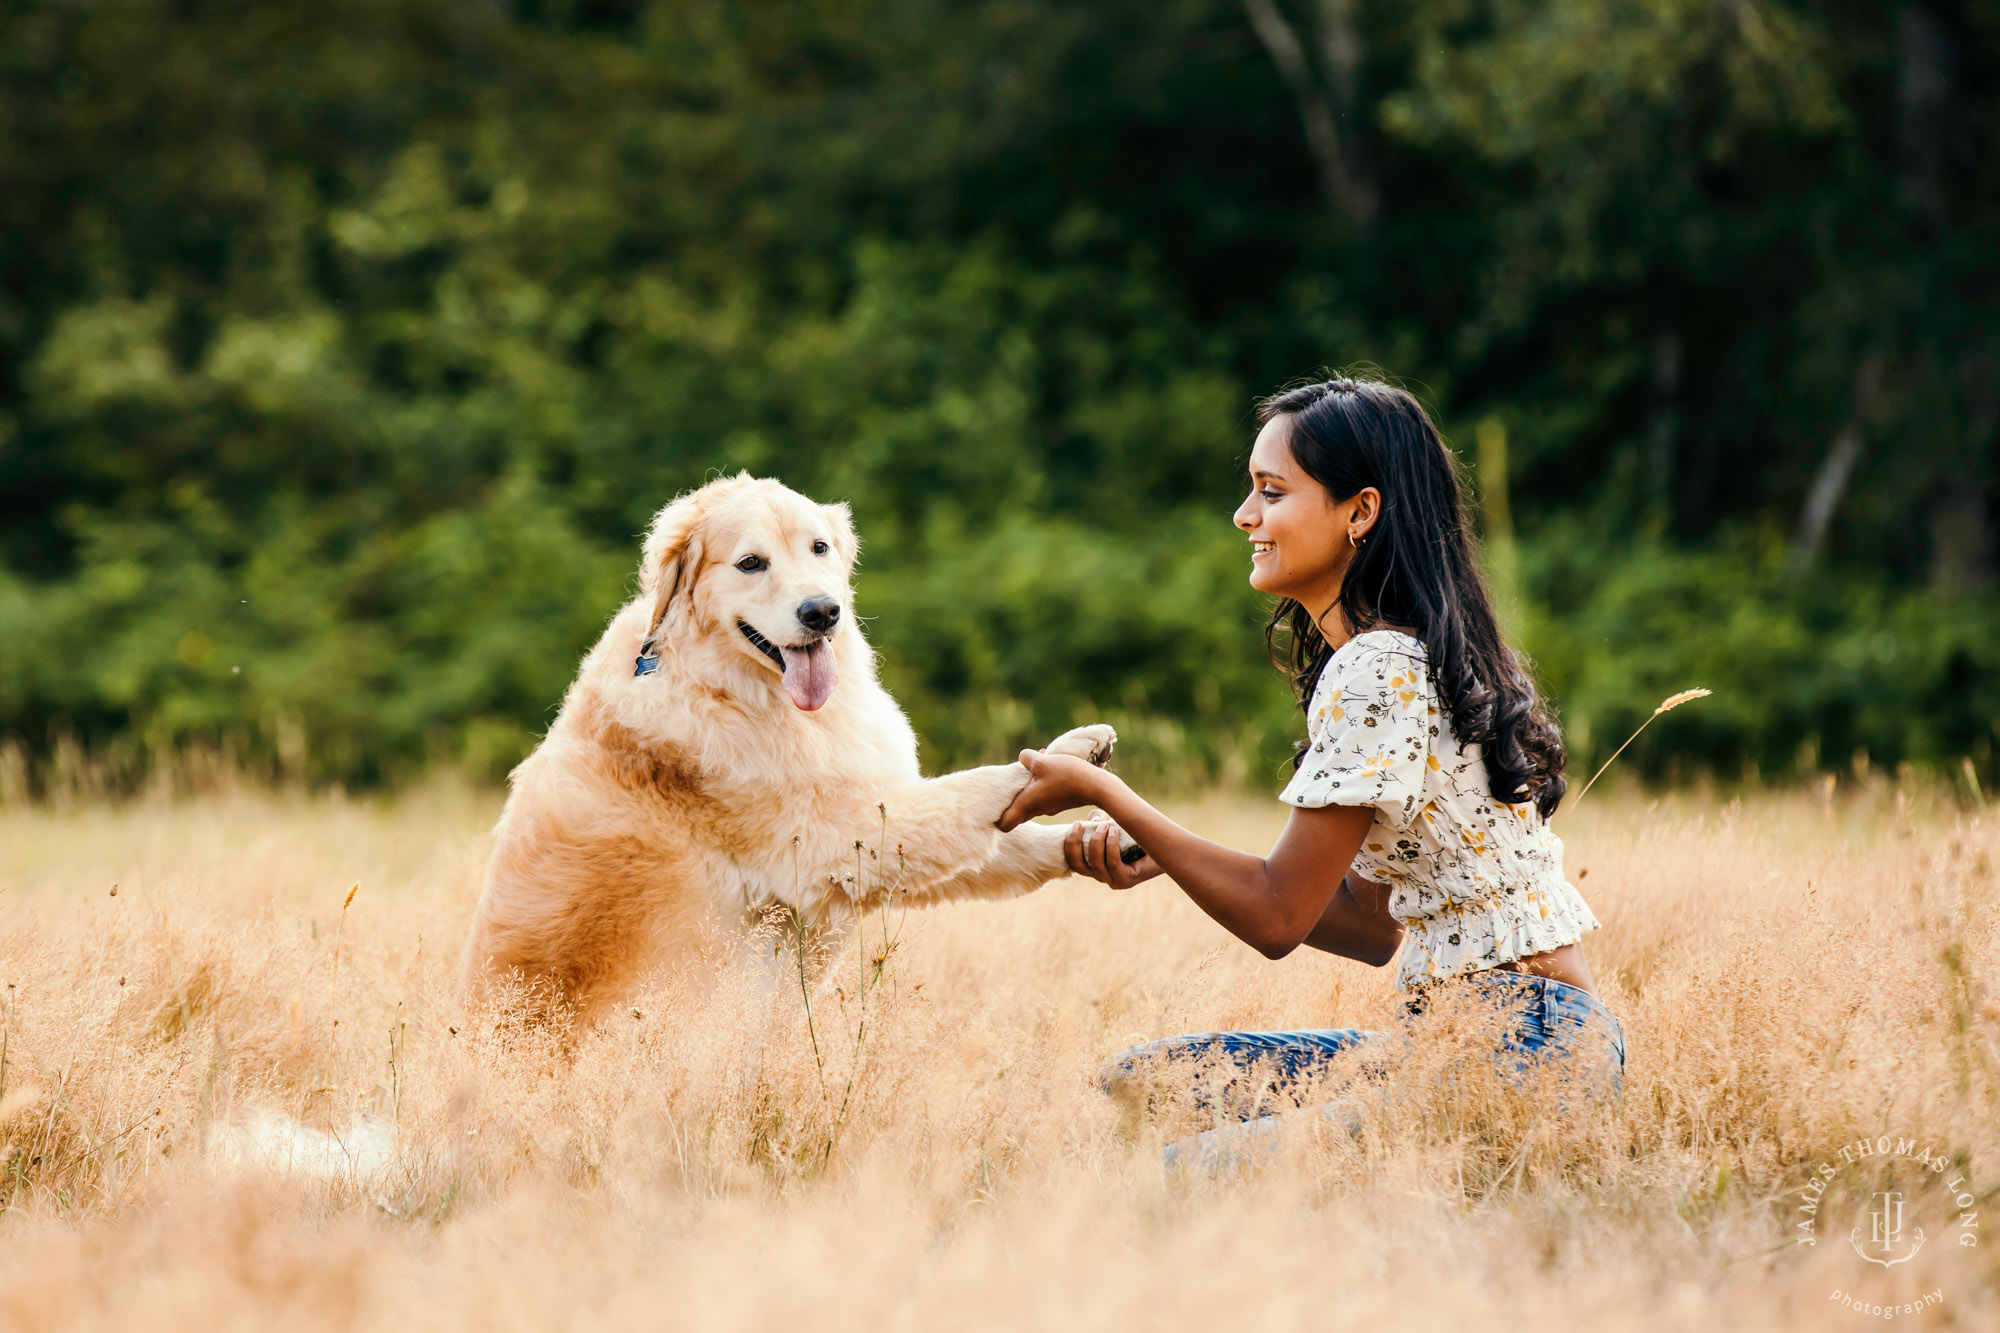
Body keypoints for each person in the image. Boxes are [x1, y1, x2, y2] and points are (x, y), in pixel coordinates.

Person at [997, 373, 1625, 1167]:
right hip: (1472, 1041)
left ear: (1359, 511)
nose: (1245, 515)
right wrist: (1168, 854)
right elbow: (1369, 926)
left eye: (1271, 491)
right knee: (1143, 1082)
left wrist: (1101, 789)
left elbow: (1276, 917)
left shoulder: (1377, 667)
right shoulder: (1401, 655)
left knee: (1179, 1176)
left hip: (1521, 1049)